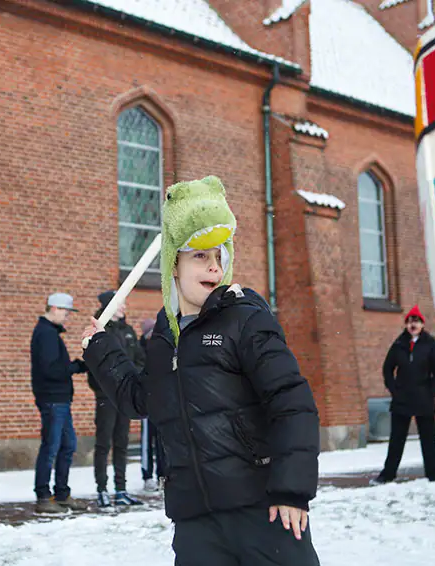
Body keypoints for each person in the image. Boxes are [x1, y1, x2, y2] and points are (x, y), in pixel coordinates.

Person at [83, 176, 321, 565]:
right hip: (195, 520)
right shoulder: (166, 334)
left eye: (218, 256)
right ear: (172, 264)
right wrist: (101, 348)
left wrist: (291, 490)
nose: (213, 267)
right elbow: (140, 399)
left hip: (261, 509)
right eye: (199, 256)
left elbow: (292, 402)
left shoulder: (245, 321)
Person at [372, 305, 435, 485]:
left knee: (428, 440)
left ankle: (434, 475)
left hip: (423, 398)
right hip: (402, 399)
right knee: (396, 440)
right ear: (406, 324)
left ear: (422, 325)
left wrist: (431, 392)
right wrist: (394, 390)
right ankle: (388, 474)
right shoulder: (398, 344)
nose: (413, 325)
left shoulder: (430, 344)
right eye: (411, 321)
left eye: (417, 321)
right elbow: (387, 369)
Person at [30, 292, 89, 513]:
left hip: (60, 399)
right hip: (53, 400)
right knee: (52, 447)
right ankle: (44, 497)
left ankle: (62, 493)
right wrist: (77, 366)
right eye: (66, 312)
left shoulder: (50, 333)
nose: (67, 317)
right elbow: (51, 370)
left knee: (67, 446)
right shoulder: (46, 334)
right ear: (54, 308)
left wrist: (76, 365)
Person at [88, 290, 144, 507]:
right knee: (104, 443)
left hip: (126, 396)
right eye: (120, 304)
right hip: (106, 397)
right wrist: (109, 385)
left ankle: (121, 489)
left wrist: (132, 380)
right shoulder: (99, 332)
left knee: (122, 443)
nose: (124, 308)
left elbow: (140, 359)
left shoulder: (128, 331)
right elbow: (94, 365)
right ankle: (102, 489)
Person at [137, 318, 163, 492]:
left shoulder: (162, 349)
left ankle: (163, 474)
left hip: (163, 403)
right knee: (147, 441)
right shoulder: (140, 352)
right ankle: (147, 476)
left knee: (163, 441)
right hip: (147, 403)